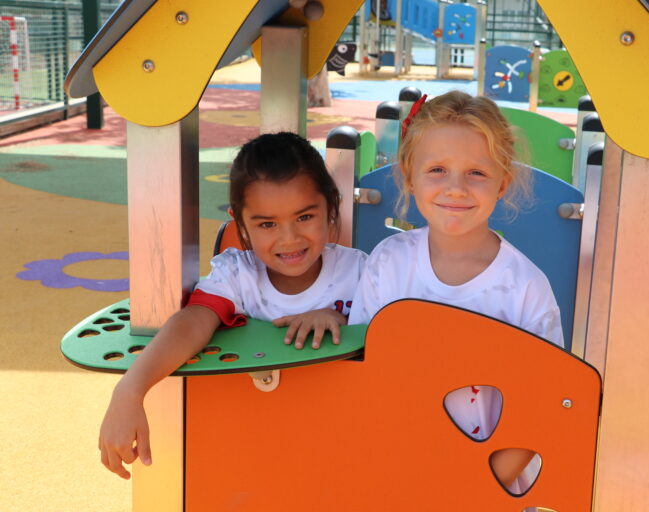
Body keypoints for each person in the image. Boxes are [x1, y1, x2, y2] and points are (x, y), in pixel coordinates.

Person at [99, 132, 367, 479]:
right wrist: (130, 389)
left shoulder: (360, 273)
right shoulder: (238, 275)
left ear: (331, 205)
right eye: (267, 224)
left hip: (336, 439)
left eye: (304, 217)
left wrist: (339, 319)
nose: (289, 238)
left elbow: (397, 341)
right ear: (240, 223)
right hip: (252, 440)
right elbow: (193, 321)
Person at [348, 91, 563, 492]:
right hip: (395, 473)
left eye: (477, 173)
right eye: (437, 170)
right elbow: (361, 374)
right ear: (409, 176)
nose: (457, 189)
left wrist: (474, 486)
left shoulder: (524, 288)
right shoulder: (388, 263)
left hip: (488, 487)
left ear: (504, 183)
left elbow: (543, 409)